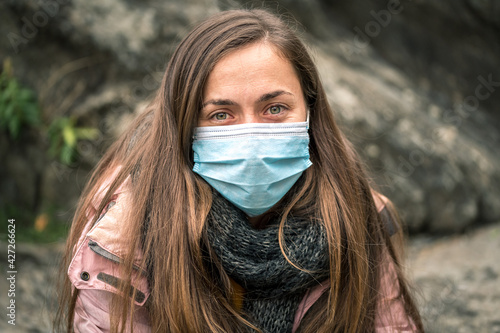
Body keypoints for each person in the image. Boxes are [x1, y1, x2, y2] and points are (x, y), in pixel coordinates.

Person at [55, 8, 423, 333]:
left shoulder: (353, 211)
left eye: (275, 108)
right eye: (220, 115)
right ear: (184, 127)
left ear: (310, 111)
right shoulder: (126, 232)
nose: (251, 136)